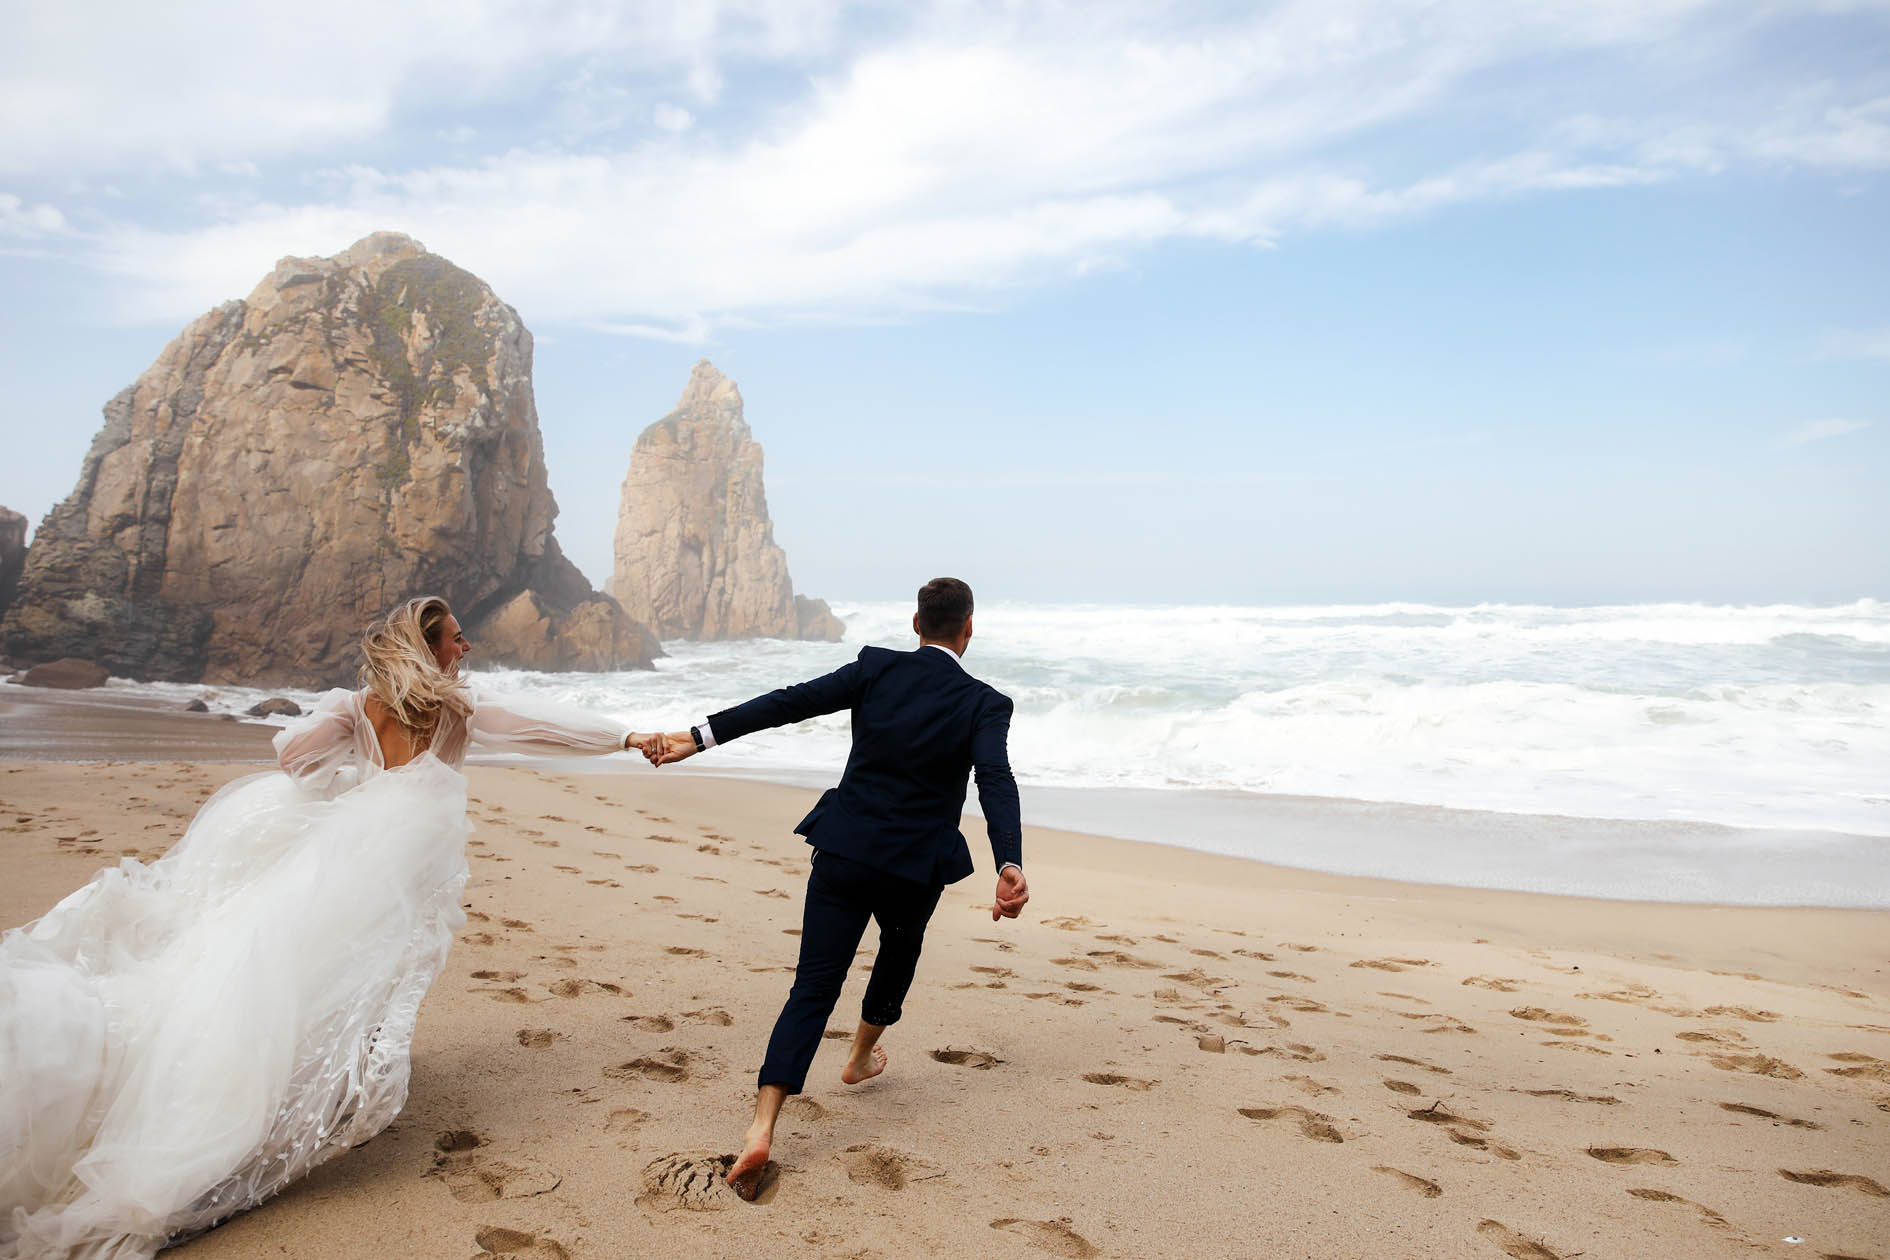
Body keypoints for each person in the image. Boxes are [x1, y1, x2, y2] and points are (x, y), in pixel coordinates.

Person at [0, 596, 657, 1259]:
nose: (466, 650)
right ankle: (328, 1082)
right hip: (405, 856)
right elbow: (538, 726)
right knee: (374, 963)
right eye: (457, 640)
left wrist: (344, 767)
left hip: (351, 845)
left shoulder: (359, 705)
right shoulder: (457, 708)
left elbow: (291, 758)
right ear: (428, 648)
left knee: (322, 962)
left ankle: (320, 1068)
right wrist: (626, 738)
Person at [641, 577, 1028, 1200]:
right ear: (969, 628)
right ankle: (857, 1059)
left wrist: (698, 737)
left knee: (813, 986)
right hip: (913, 866)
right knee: (899, 953)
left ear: (914, 623)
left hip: (845, 849)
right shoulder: (985, 702)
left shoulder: (875, 668)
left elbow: (788, 702)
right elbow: (995, 778)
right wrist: (1008, 860)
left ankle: (762, 1125)